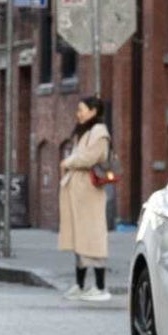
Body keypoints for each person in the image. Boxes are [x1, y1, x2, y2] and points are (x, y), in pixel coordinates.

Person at [58, 95, 112, 301]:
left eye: (82, 110)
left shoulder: (99, 132)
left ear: (93, 111)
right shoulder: (86, 131)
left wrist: (68, 162)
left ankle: (100, 287)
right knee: (79, 237)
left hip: (89, 191)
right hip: (78, 190)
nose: (78, 114)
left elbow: (90, 158)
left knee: (93, 236)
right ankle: (80, 285)